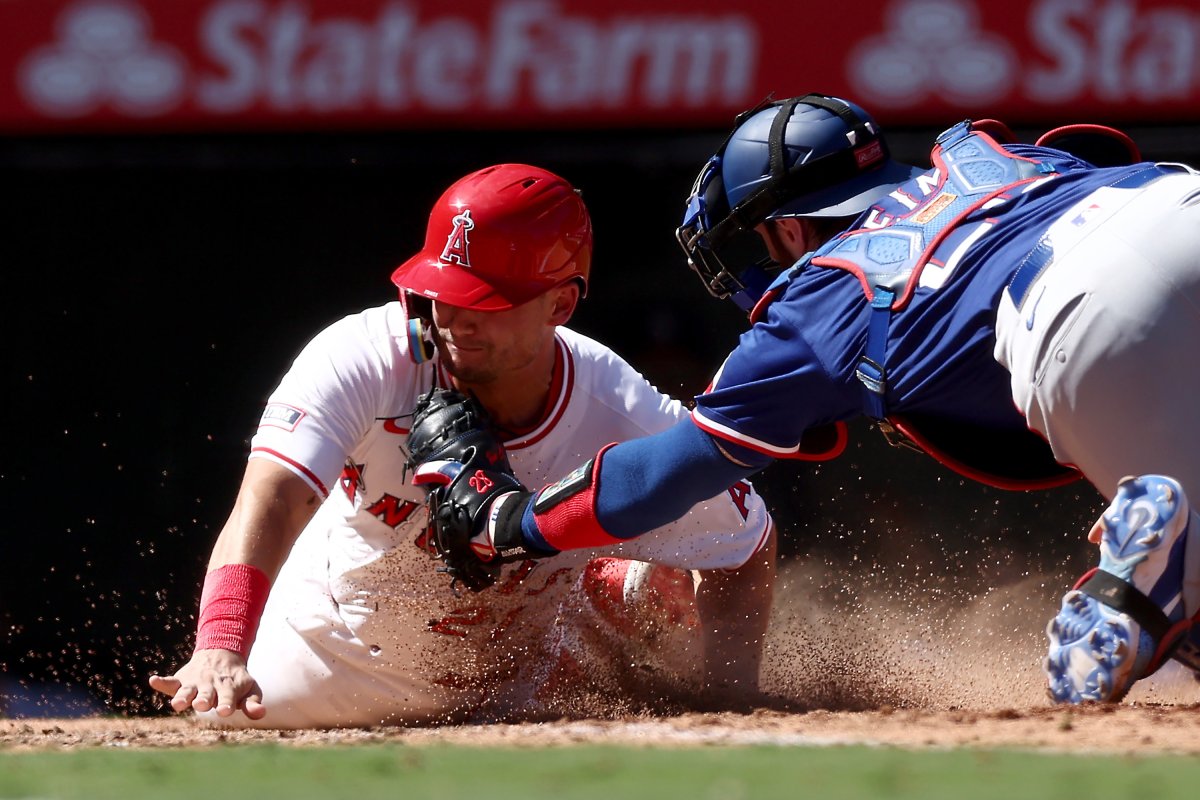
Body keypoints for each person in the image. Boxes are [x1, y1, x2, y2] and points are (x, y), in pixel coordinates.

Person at [403, 94, 1200, 707]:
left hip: (1083, 314)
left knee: (1132, 612)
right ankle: (1175, 580)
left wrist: (517, 524)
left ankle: (1140, 588)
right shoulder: (990, 155)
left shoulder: (821, 294)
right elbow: (1101, 156)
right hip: (1168, 200)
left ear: (787, 231)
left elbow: (675, 470)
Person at [147, 164, 776, 728]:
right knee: (223, 724)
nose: (455, 317)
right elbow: (272, 499)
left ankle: (603, 588)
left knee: (662, 591)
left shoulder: (620, 407)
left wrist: (727, 702)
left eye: (488, 299)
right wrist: (221, 645)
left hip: (520, 696)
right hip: (320, 663)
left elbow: (748, 539)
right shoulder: (365, 355)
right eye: (444, 291)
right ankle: (601, 581)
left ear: (560, 302)